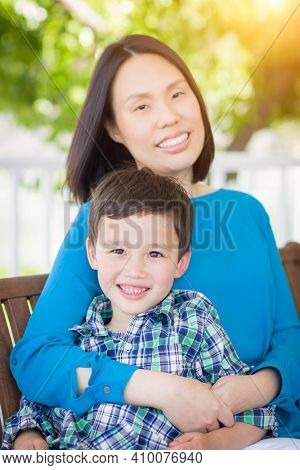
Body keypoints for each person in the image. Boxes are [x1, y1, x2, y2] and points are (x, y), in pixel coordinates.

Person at [10, 35, 300, 451]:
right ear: (113, 128)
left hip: (253, 439)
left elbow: (289, 337)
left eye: (178, 94)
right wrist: (161, 389)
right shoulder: (102, 222)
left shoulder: (246, 212)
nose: (169, 116)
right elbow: (39, 358)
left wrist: (253, 389)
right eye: (142, 105)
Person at [2, 168, 277, 450]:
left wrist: (214, 444)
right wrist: (29, 435)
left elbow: (255, 415)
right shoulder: (82, 339)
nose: (135, 270)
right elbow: (42, 406)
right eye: (119, 251)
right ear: (93, 254)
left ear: (180, 263)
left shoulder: (192, 321)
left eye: (155, 253)